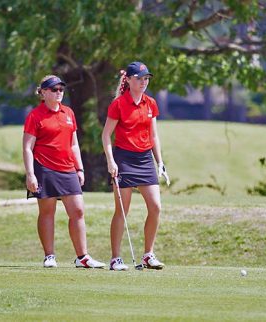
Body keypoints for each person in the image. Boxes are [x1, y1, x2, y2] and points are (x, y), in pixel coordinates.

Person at [23, 74, 105, 269]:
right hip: (44, 168)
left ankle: (82, 257)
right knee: (47, 212)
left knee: (77, 211)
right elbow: (27, 147)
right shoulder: (35, 115)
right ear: (43, 93)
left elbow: (74, 144)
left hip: (68, 168)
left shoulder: (68, 113)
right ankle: (49, 256)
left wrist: (80, 168)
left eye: (61, 89)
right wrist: (30, 174)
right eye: (54, 89)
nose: (59, 92)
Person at [101, 62, 170, 271]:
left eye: (146, 78)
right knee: (122, 210)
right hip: (124, 159)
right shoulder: (118, 104)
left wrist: (160, 162)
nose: (143, 82)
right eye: (139, 78)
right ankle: (115, 258)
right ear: (129, 80)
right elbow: (105, 135)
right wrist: (110, 161)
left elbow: (154, 135)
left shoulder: (150, 103)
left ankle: (148, 254)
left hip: (145, 159)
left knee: (156, 207)